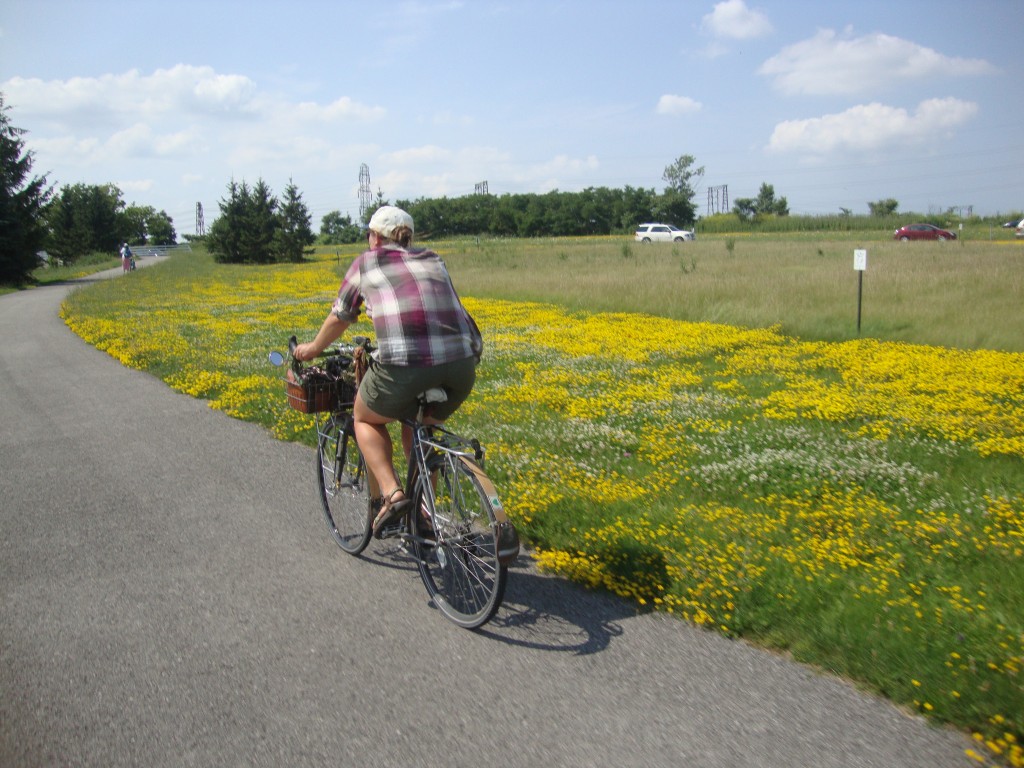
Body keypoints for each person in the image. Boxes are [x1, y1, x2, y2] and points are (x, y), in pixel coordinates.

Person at [294, 205, 482, 537]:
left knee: (364, 417)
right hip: (462, 366)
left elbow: (341, 316)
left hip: (407, 366)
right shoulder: (433, 258)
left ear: (375, 237)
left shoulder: (366, 263)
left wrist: (311, 349)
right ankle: (423, 515)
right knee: (420, 425)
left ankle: (393, 495)